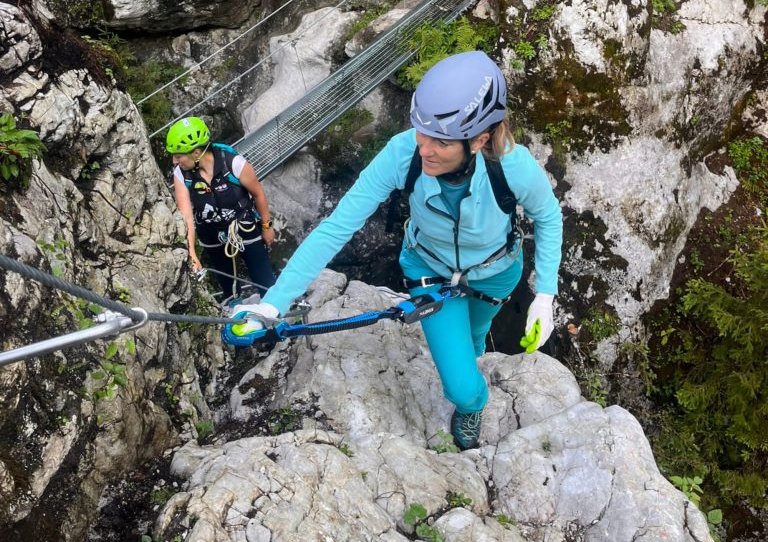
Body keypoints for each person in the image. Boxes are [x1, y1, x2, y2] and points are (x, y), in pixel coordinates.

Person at [230, 51, 562, 449]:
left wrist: (545, 294)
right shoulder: (402, 153)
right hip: (431, 272)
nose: (425, 149)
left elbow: (549, 218)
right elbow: (337, 227)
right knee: (461, 389)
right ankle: (473, 402)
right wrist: (273, 304)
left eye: (440, 140)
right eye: (421, 132)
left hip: (496, 273)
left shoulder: (514, 167)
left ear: (479, 139)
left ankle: (472, 350)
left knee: (476, 332)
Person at [167, 116, 276, 300]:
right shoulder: (181, 174)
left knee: (264, 278)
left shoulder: (233, 163)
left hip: (244, 227)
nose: (174, 161)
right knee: (228, 284)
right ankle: (233, 308)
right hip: (211, 234)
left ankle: (277, 313)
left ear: (196, 153)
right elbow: (186, 216)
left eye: (178, 155)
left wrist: (267, 226)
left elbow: (258, 194)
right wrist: (192, 253)